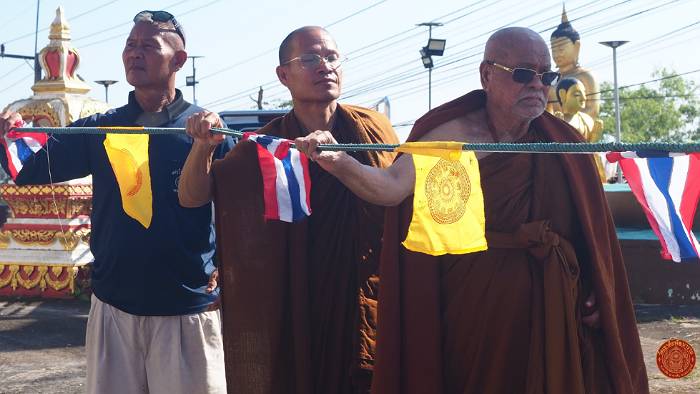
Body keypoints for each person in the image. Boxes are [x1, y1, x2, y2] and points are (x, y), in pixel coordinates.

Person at [295, 27, 648, 393]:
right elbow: (390, 188)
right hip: (475, 309)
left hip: (555, 305)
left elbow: (590, 227)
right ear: (487, 75)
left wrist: (594, 282)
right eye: (524, 74)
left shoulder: (562, 142)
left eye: (547, 76)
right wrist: (340, 162)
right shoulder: (450, 134)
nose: (537, 86)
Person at [0, 11, 232, 394]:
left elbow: (240, 212)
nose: (134, 54)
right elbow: (30, 166)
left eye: (148, 46)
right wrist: (7, 134)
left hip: (185, 311)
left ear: (178, 60)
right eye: (130, 45)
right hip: (114, 309)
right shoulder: (101, 126)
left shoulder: (207, 130)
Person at [179, 26, 398, 393]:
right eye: (310, 59)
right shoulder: (267, 145)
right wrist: (202, 147)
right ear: (284, 75)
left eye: (331, 58)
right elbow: (192, 196)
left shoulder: (372, 129)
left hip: (365, 298)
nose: (325, 66)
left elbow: (400, 201)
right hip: (297, 302)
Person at [547, 6, 600, 118]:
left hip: (578, 129)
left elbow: (593, 110)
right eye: (554, 49)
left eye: (561, 49)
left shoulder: (585, 76)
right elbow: (547, 111)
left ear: (576, 46)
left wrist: (568, 121)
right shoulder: (551, 79)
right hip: (556, 130)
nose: (557, 54)